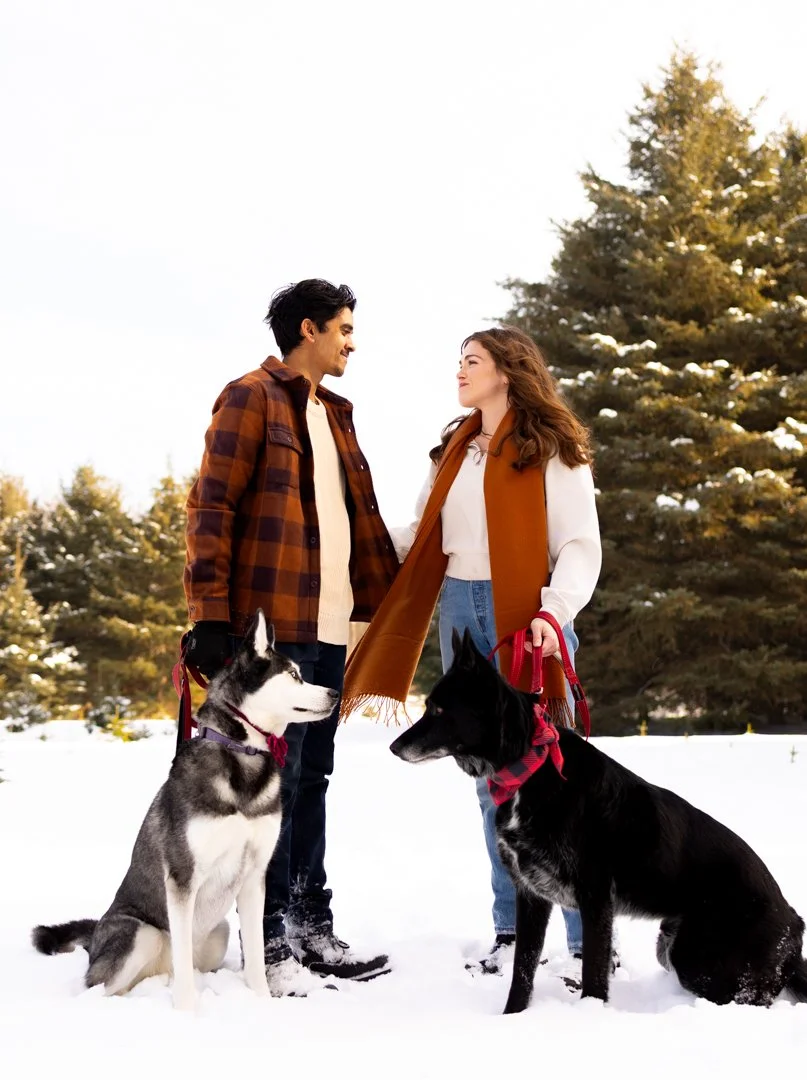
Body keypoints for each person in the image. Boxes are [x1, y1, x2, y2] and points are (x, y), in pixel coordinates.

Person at [341, 325, 602, 979]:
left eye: (472, 361)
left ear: (506, 372)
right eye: (459, 360)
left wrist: (553, 612)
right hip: (459, 607)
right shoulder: (452, 451)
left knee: (559, 775)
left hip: (530, 615)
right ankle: (511, 930)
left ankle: (583, 939)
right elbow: (423, 532)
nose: (459, 371)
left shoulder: (553, 449)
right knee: (490, 779)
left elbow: (578, 545)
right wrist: (351, 539)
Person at [183, 279, 398, 994]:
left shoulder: (336, 415)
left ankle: (310, 921)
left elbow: (357, 523)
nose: (351, 343)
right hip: (275, 631)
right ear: (309, 329)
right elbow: (211, 507)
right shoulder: (250, 397)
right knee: (271, 781)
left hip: (332, 626)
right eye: (343, 329)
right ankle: (268, 937)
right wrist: (210, 615)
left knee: (313, 778)